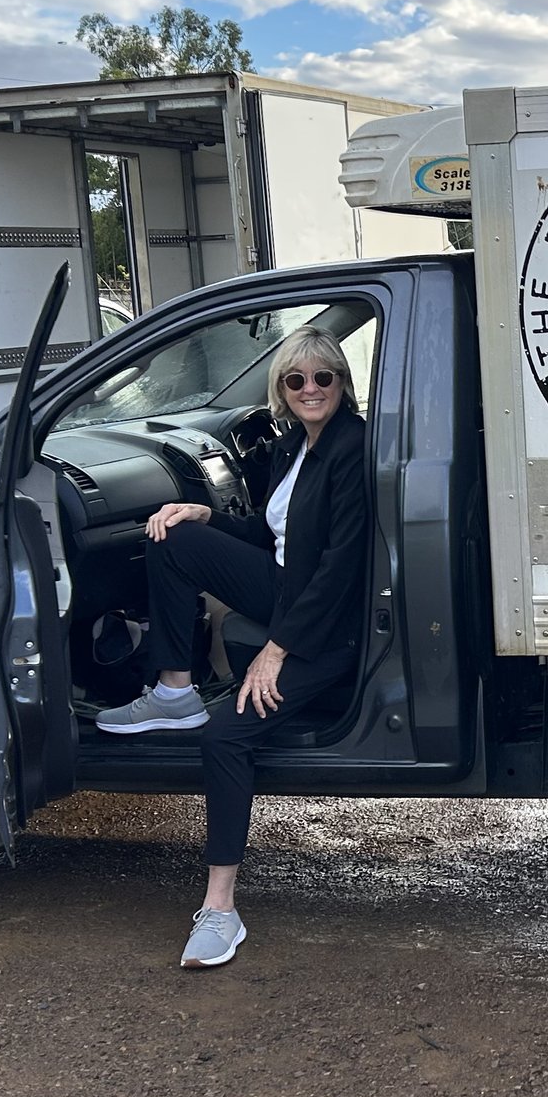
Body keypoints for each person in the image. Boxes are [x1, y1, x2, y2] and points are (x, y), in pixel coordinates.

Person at [92, 326, 371, 968]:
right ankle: (173, 690)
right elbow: (275, 536)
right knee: (171, 535)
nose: (310, 389)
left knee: (225, 739)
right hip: (288, 594)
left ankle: (219, 912)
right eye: (295, 379)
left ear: (340, 383)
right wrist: (205, 515)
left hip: (326, 630)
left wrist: (278, 648)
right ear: (281, 387)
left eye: (322, 378)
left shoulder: (350, 447)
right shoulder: (296, 446)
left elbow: (339, 564)